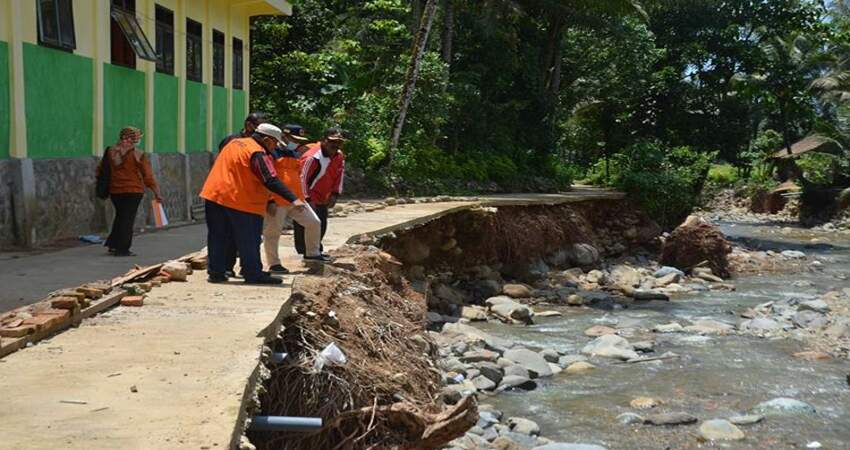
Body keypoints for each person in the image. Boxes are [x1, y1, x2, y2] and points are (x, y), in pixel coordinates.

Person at [200, 123, 305, 285]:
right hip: (241, 200)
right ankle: (252, 273)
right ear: (266, 139)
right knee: (249, 238)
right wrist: (294, 198)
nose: (276, 147)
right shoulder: (257, 152)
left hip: (215, 195)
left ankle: (216, 272)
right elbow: (270, 179)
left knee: (218, 236)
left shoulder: (234, 143)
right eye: (275, 143)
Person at [262, 124, 328, 274]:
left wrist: (301, 196)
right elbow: (267, 178)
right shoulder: (270, 153)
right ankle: (274, 263)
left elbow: (297, 176)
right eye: (294, 139)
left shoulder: (293, 153)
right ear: (284, 137)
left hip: (295, 199)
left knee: (314, 222)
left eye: (299, 140)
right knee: (273, 232)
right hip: (277, 200)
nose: (297, 142)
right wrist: (270, 199)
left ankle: (312, 254)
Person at [97, 127, 162, 257]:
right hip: (133, 191)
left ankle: (113, 244)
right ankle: (123, 249)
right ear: (135, 139)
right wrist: (156, 192)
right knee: (127, 219)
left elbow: (100, 169)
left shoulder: (110, 151)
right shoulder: (138, 154)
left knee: (121, 216)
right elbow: (147, 175)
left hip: (115, 191)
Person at [295, 127, 346, 256]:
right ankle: (307, 252)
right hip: (308, 195)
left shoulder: (339, 156)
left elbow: (339, 176)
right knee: (308, 224)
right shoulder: (312, 157)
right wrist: (307, 199)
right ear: (324, 140)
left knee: (321, 224)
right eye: (332, 141)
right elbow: (302, 179)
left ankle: (315, 250)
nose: (335, 145)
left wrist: (335, 194)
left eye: (339, 142)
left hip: (323, 196)